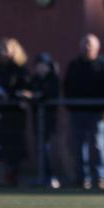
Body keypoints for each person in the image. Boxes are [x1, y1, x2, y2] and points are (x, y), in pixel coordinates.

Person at [64, 34, 104, 190]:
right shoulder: (74, 65)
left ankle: (101, 178)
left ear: (97, 48)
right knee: (79, 147)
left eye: (90, 44)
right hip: (78, 112)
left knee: (99, 146)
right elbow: (66, 86)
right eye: (85, 44)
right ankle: (82, 178)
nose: (87, 47)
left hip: (98, 114)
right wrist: (70, 106)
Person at [0, 38, 31, 187]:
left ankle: (13, 176)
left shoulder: (20, 68)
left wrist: (11, 94)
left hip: (14, 115)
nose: (4, 52)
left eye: (8, 48)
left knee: (14, 147)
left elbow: (25, 87)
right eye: (2, 48)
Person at [29, 52, 61, 189]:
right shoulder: (35, 79)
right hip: (37, 120)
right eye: (38, 65)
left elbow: (49, 95)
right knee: (40, 149)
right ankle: (43, 177)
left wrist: (35, 96)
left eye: (42, 65)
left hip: (48, 120)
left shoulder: (53, 79)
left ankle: (51, 177)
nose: (40, 68)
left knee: (47, 149)